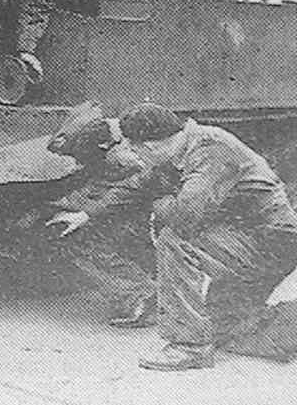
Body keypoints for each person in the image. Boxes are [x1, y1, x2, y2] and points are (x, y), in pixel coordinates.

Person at [119, 103, 297, 371]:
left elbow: (184, 215)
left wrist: (160, 202)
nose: (133, 155)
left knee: (175, 240)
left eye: (134, 149)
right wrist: (84, 213)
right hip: (247, 240)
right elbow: (137, 185)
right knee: (226, 328)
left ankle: (189, 347)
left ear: (151, 147)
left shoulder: (210, 148)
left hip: (270, 242)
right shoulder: (183, 148)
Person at [46, 117, 176, 327]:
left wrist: (79, 212)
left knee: (81, 242)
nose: (78, 162)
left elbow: (114, 193)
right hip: (142, 212)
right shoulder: (117, 134)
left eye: (80, 156)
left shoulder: (122, 160)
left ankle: (141, 298)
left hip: (147, 217)